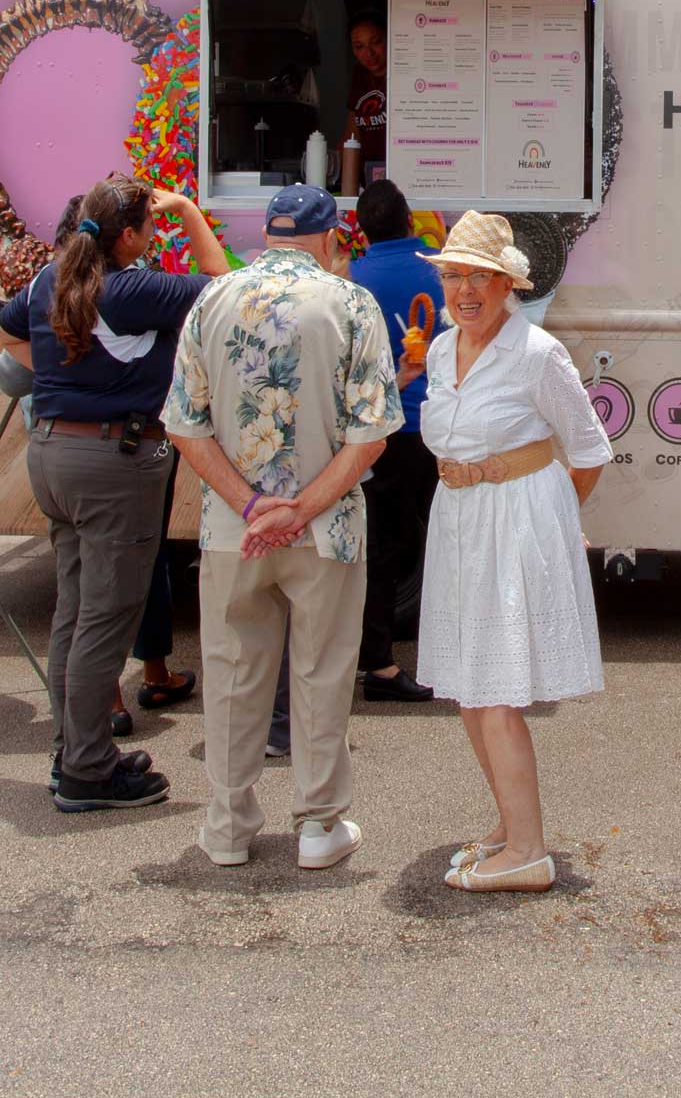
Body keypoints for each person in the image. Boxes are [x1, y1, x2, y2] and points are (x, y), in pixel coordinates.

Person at [163, 183, 403, 869]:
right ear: (329, 239)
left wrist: (249, 506)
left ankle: (227, 827)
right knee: (322, 672)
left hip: (233, 531)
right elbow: (371, 435)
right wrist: (299, 509)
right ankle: (319, 826)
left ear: (267, 235)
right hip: (327, 530)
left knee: (232, 673)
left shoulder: (212, 299)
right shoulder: (350, 303)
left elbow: (184, 425)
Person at [0, 177, 230, 812]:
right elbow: (223, 286)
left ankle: (73, 750)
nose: (154, 233)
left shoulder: (51, 281)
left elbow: (4, 329)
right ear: (128, 235)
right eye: (150, 225)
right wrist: (188, 210)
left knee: (74, 614)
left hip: (52, 452)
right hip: (112, 464)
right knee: (105, 619)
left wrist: (64, 373)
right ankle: (89, 771)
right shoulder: (130, 289)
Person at [414, 211, 614, 894]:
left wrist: (555, 524)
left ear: (508, 285)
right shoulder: (443, 349)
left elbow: (588, 450)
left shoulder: (537, 353)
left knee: (495, 693)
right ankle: (509, 827)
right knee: (472, 690)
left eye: (480, 277)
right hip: (460, 521)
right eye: (453, 276)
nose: (464, 290)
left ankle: (528, 853)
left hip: (516, 522)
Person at [347, 178, 445, 702]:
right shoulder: (440, 271)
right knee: (445, 541)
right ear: (410, 220)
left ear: (362, 230)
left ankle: (378, 661)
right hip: (436, 427)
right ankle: (450, 656)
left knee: (381, 550)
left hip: (377, 432)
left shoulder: (349, 279)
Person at [340, 13, 388, 189]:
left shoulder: (403, 72)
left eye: (376, 42)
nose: (369, 53)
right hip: (367, 180)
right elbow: (352, 132)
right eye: (359, 46)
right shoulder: (360, 75)